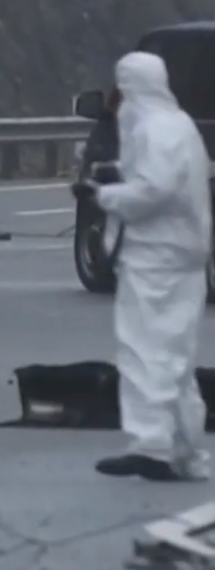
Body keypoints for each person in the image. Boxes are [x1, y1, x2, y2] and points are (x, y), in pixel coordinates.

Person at [75, 52, 211, 482]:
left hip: (156, 256)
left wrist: (103, 196)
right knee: (175, 355)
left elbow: (154, 189)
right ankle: (183, 449)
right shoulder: (179, 124)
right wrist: (118, 173)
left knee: (144, 349)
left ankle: (151, 444)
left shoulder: (154, 128)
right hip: (183, 255)